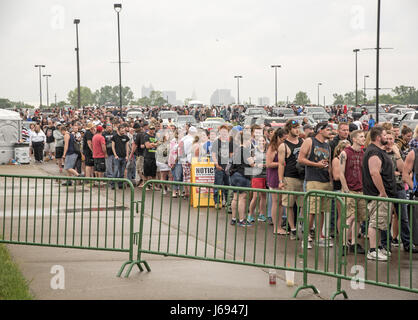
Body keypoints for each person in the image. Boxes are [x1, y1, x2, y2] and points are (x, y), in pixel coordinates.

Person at [362, 126, 397, 261]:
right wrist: (382, 192)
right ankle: (372, 250)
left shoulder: (377, 151)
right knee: (375, 223)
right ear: (378, 137)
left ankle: (378, 247)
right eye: (384, 135)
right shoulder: (373, 152)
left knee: (381, 222)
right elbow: (374, 172)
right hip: (378, 194)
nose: (386, 137)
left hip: (384, 194)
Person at [298, 121, 334, 249]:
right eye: (328, 130)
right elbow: (300, 159)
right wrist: (316, 165)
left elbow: (328, 163)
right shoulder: (310, 141)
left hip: (325, 181)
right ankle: (306, 237)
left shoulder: (327, 145)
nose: (330, 132)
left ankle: (319, 236)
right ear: (320, 130)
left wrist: (331, 181)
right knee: (312, 211)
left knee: (322, 211)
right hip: (313, 180)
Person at [339, 130, 367, 255]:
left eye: (364, 137)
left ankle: (355, 243)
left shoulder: (363, 153)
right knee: (349, 217)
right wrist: (346, 190)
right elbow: (341, 173)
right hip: (349, 190)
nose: (363, 139)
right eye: (361, 137)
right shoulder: (345, 153)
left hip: (361, 190)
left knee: (359, 218)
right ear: (354, 139)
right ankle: (344, 243)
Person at [278, 120, 304, 240]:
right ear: (289, 129)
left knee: (304, 205)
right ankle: (293, 228)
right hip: (290, 177)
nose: (297, 130)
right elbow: (281, 164)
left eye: (298, 127)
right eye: (294, 127)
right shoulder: (283, 145)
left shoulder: (303, 142)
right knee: (289, 204)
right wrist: (280, 181)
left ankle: (303, 226)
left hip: (303, 177)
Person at [267, 128, 288, 235]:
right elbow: (268, 163)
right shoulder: (272, 147)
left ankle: (279, 226)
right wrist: (281, 163)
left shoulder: (283, 147)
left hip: (281, 176)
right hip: (274, 177)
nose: (285, 141)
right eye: (283, 139)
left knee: (280, 203)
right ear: (279, 137)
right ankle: (276, 227)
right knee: (276, 202)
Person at [229, 131, 252, 227]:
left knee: (235, 198)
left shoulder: (237, 149)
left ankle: (234, 218)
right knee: (242, 198)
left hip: (234, 175)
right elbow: (251, 163)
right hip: (242, 175)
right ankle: (242, 220)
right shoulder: (245, 150)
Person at [211, 125, 233, 209]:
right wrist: (216, 164)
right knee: (217, 185)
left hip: (227, 167)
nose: (224, 133)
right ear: (219, 132)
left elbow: (231, 155)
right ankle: (217, 202)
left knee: (227, 185)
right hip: (218, 166)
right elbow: (213, 154)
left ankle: (227, 202)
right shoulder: (216, 142)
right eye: (222, 131)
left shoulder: (229, 142)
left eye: (225, 131)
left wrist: (230, 165)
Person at [247, 135, 268, 223]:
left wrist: (267, 164)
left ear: (265, 142)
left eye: (263, 141)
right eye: (259, 141)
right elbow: (249, 161)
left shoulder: (268, 151)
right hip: (257, 175)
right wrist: (256, 165)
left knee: (263, 196)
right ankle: (250, 215)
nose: (261, 142)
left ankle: (261, 214)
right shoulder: (253, 150)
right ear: (257, 142)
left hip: (266, 175)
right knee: (256, 196)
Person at [111, 124, 130, 189]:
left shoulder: (126, 137)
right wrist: (115, 155)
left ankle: (120, 185)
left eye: (124, 130)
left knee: (122, 172)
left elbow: (127, 147)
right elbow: (113, 147)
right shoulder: (114, 137)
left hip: (124, 157)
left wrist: (127, 156)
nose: (123, 132)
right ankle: (113, 185)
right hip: (117, 157)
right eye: (121, 131)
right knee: (116, 171)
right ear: (118, 130)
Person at [143, 123, 158, 190]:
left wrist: (152, 144)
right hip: (147, 156)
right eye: (151, 129)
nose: (152, 130)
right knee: (146, 172)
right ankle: (145, 185)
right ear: (149, 129)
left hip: (154, 156)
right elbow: (147, 146)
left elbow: (159, 143)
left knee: (153, 173)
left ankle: (153, 186)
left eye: (153, 129)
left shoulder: (155, 135)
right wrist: (154, 144)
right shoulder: (146, 136)